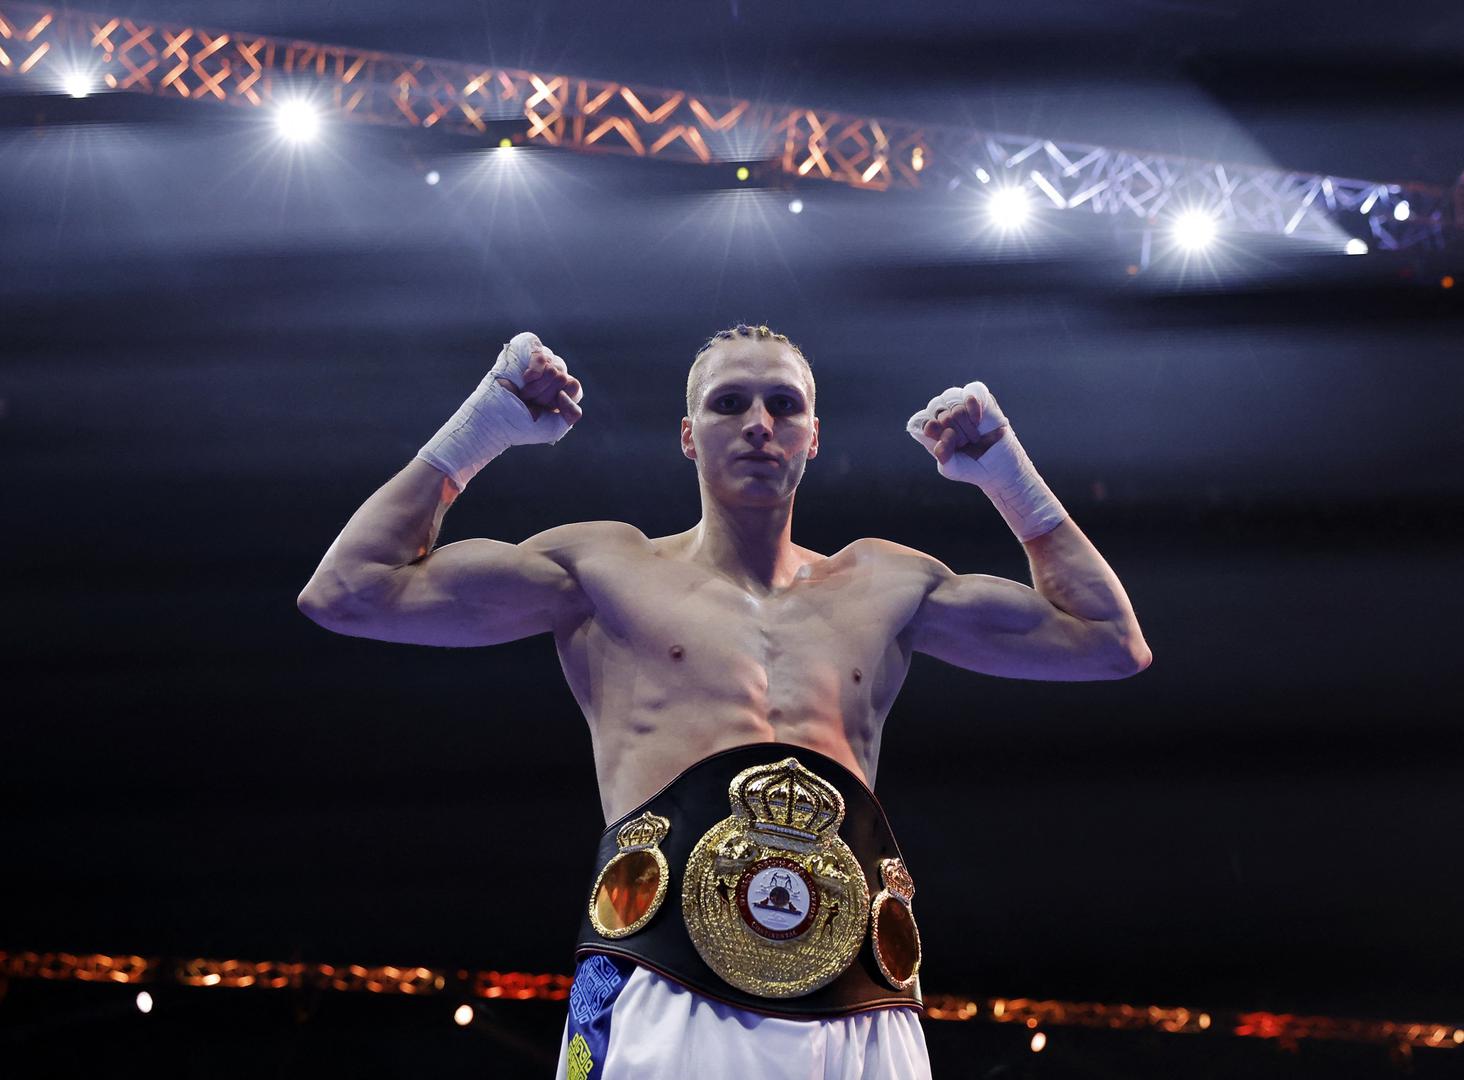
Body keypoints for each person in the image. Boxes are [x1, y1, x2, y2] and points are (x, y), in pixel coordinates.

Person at [298, 323, 1151, 1079]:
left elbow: (1112, 644)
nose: (758, 423)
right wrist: (483, 426)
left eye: (784, 405)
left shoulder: (886, 584)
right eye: (729, 403)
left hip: (859, 1001)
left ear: (813, 436)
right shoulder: (603, 570)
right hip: (666, 986)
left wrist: (1005, 471)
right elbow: (347, 591)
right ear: (688, 435)